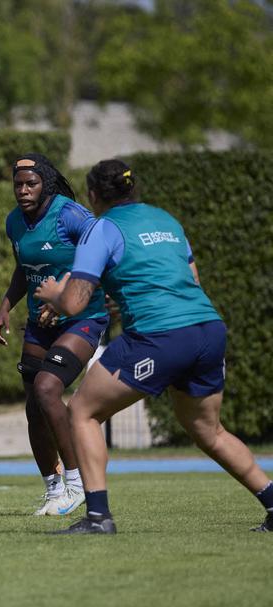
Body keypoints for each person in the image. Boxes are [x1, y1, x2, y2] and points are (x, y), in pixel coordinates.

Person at [35, 159, 273, 534]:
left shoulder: (101, 228)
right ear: (133, 189)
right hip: (208, 329)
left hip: (159, 336)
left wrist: (54, 294)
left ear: (94, 195)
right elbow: (189, 278)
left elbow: (75, 302)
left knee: (82, 411)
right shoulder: (166, 220)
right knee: (209, 431)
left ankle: (98, 517)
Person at [0, 154, 108, 517]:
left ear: (46, 184)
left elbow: (99, 257)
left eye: (31, 184)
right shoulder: (14, 222)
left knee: (47, 389)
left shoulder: (70, 214)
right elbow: (25, 270)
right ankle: (53, 488)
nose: (23, 191)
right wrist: (5, 306)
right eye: (18, 184)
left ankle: (76, 483)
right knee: (34, 409)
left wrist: (63, 301)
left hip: (83, 319)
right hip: (40, 323)